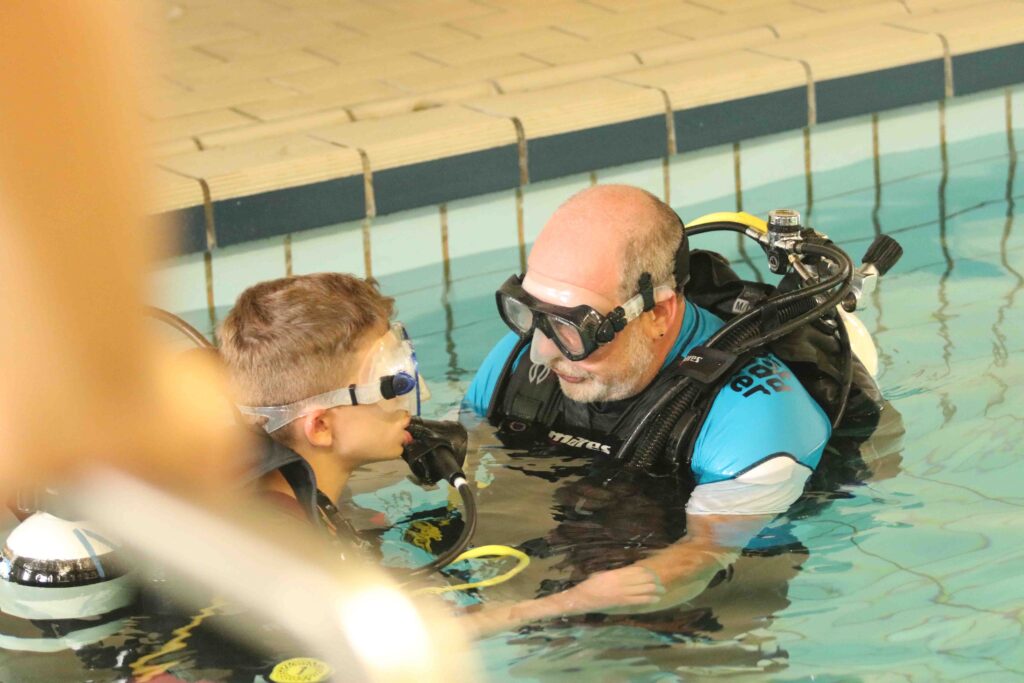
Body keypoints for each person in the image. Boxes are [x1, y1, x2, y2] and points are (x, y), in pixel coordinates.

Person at [217, 272, 667, 635]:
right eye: (392, 386)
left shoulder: (259, 492)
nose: (414, 397)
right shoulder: (295, 551)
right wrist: (574, 601)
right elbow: (415, 638)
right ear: (319, 426)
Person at [466, 184, 840, 610]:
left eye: (574, 326)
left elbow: (700, 562)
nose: (540, 351)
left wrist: (510, 618)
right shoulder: (513, 367)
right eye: (529, 311)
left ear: (657, 313)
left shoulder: (754, 423)